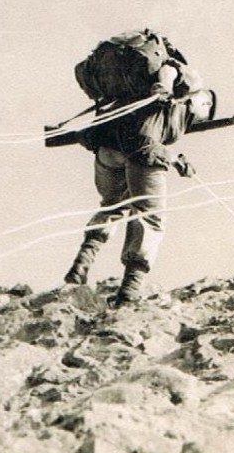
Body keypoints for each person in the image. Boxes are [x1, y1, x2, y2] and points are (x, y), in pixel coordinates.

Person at [63, 79, 217, 308]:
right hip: (138, 154)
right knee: (151, 219)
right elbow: (145, 143)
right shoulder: (178, 108)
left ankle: (80, 266)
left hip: (107, 150)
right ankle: (129, 293)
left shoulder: (139, 93)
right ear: (201, 102)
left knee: (112, 206)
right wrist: (174, 159)